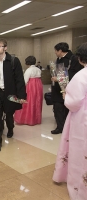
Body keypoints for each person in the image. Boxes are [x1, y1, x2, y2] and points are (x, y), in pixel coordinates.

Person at [52, 42, 87, 200]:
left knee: (80, 149)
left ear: (80, 59)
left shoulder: (81, 76)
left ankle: (79, 183)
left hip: (82, 118)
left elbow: (73, 103)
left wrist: (66, 95)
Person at [0, 39, 26, 152]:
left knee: (9, 114)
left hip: (10, 93)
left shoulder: (13, 61)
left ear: (5, 48)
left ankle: (10, 128)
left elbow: (19, 79)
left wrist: (21, 95)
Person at [50, 42, 83, 134]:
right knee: (58, 108)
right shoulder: (58, 59)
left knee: (67, 109)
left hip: (69, 89)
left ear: (60, 50)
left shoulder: (73, 59)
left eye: (56, 51)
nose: (55, 52)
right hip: (58, 89)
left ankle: (68, 128)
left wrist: (59, 78)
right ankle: (60, 127)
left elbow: (74, 74)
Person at [14, 56, 43, 125]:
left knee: (28, 102)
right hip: (38, 87)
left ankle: (26, 119)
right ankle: (35, 119)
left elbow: (25, 81)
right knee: (36, 102)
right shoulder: (38, 69)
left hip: (30, 87)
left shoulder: (28, 70)